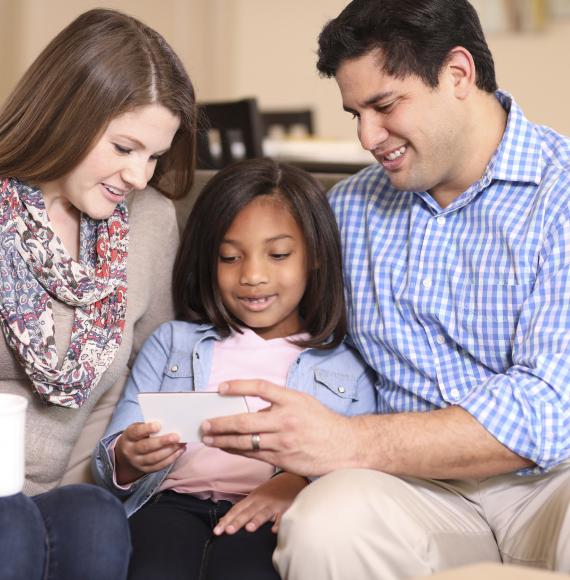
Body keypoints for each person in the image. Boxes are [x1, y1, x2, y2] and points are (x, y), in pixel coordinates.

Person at [199, 0, 570, 577]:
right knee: (325, 522)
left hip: (554, 483)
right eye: (355, 113)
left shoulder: (561, 194)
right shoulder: (346, 210)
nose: (367, 137)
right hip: (414, 491)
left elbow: (548, 409)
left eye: (384, 105)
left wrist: (346, 441)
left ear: (457, 75)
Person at [92, 157, 377, 580]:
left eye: (278, 254)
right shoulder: (173, 341)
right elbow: (115, 449)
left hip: (270, 512)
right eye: (229, 257)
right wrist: (130, 457)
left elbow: (358, 465)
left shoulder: (345, 365)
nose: (253, 275)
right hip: (171, 504)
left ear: (314, 256)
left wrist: (296, 482)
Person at [0, 8, 197, 580]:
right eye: (124, 147)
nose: (139, 175)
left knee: (95, 518)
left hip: (79, 484)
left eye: (154, 155)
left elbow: (156, 368)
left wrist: (138, 455)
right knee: (10, 527)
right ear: (67, 116)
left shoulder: (152, 222)